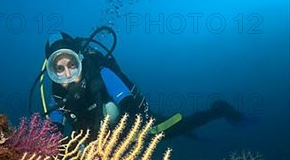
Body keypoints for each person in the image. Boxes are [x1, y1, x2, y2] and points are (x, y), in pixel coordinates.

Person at [29, 26, 244, 141]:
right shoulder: (56, 95)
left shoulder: (99, 72)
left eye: (72, 64)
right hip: (97, 141)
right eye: (59, 69)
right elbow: (53, 132)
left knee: (168, 131)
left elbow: (127, 103)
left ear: (80, 60)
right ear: (51, 71)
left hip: (130, 127)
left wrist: (131, 132)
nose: (67, 74)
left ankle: (218, 110)